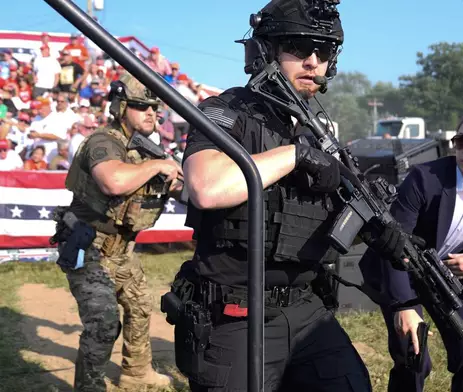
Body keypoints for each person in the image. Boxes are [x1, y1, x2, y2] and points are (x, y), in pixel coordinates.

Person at [169, 1, 372, 391]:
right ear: (267, 50)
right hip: (237, 311)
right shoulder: (227, 110)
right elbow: (206, 187)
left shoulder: (321, 131)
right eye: (299, 47)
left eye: (324, 51)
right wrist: (294, 156)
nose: (313, 61)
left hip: (307, 307)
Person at [360, 111, 463, 392]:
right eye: (461, 141)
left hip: (449, 282)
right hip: (400, 272)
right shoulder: (425, 179)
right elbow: (392, 243)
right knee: (414, 358)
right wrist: (404, 306)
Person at [50, 72, 182, 391]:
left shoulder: (145, 151)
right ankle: (89, 387)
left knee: (139, 304)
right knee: (104, 323)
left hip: (120, 251)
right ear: (121, 107)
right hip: (86, 247)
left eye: (154, 107)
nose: (151, 112)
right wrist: (158, 165)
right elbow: (114, 181)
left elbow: (178, 187)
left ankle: (136, 372)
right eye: (141, 106)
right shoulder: (102, 142)